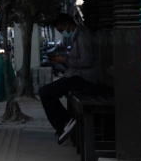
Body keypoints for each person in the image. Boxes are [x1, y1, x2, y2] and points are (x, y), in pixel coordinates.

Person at [39, 13, 100, 144]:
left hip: (85, 79)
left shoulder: (83, 35)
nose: (61, 32)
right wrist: (61, 61)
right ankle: (64, 123)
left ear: (66, 23)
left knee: (45, 93)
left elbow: (86, 61)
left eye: (60, 28)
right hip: (77, 76)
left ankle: (65, 123)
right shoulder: (77, 36)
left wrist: (65, 59)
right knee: (47, 91)